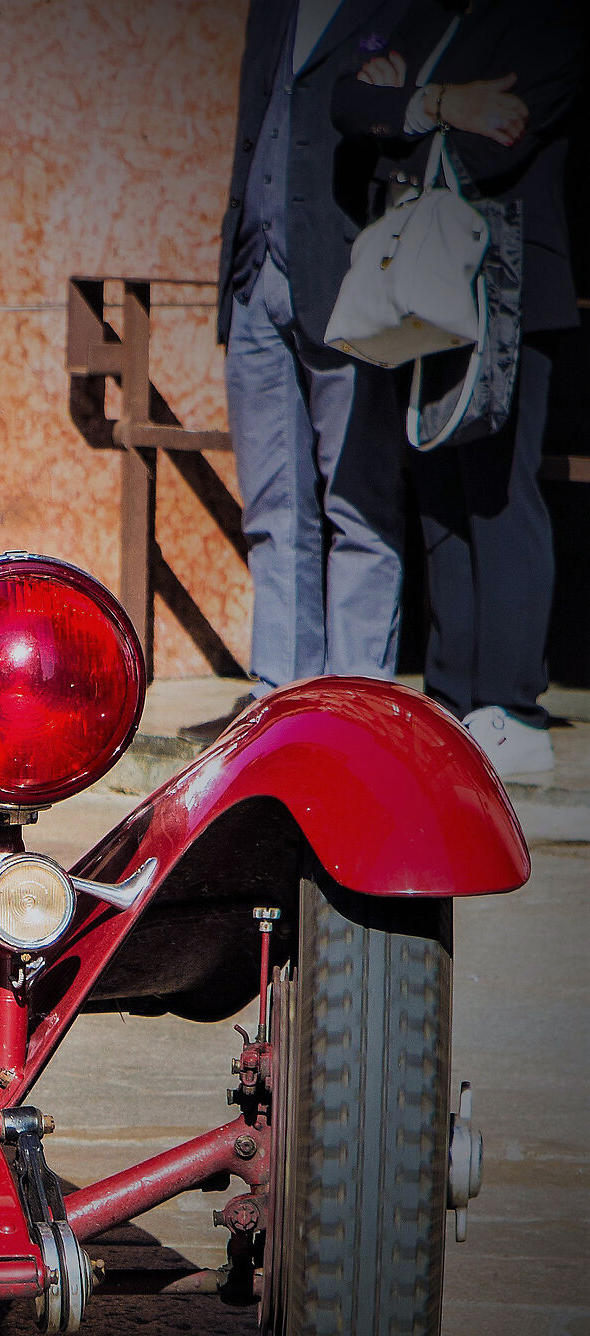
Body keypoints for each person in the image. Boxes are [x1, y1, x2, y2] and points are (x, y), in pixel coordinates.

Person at [334, 0, 581, 778]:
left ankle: (512, 709)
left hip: (507, 282)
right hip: (430, 287)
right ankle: (452, 700)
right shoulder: (426, 16)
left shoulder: (548, 23)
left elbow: (495, 144)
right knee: (439, 489)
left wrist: (409, 110)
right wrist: (445, 102)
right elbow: (349, 103)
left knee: (501, 493)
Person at [215, 0, 410, 726]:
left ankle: (358, 703)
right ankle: (280, 696)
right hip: (254, 281)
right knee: (274, 508)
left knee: (358, 504)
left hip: (353, 283)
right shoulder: (272, 10)